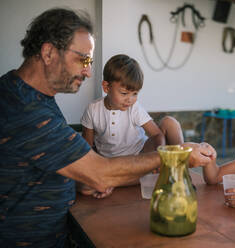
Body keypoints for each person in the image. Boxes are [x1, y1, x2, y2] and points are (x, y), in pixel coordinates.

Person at [0, 8, 215, 247]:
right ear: (49, 52)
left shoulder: (34, 99)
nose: (88, 71)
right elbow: (100, 174)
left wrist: (79, 180)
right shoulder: (23, 107)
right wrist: (178, 155)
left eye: (89, 62)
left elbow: (49, 166)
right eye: (83, 59)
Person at [79, 54, 184, 197]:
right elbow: (87, 147)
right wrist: (94, 172)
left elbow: (157, 134)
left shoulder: (134, 108)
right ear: (106, 87)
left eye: (135, 94)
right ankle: (118, 180)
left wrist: (159, 157)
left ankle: (181, 173)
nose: (130, 99)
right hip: (112, 165)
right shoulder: (92, 110)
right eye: (124, 93)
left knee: (169, 122)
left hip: (140, 156)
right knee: (85, 186)